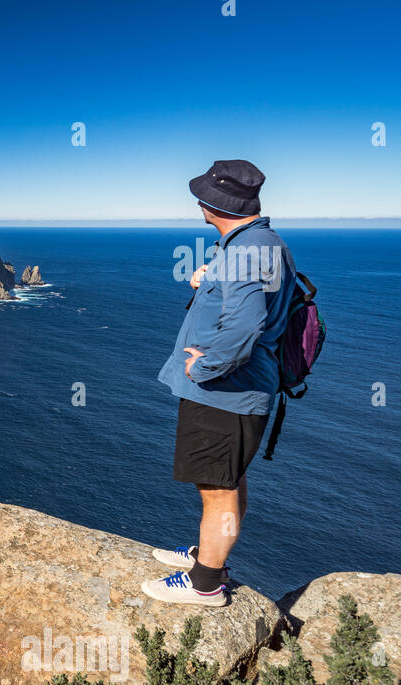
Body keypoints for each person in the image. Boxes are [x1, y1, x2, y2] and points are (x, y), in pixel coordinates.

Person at [145, 159, 294, 606]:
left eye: (201, 195)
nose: (196, 201)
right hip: (239, 394)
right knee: (227, 478)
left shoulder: (247, 252)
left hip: (225, 394)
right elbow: (253, 300)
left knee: (218, 488)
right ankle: (208, 555)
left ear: (215, 204)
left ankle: (205, 583)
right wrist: (212, 277)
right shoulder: (258, 244)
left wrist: (205, 367)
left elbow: (245, 326)